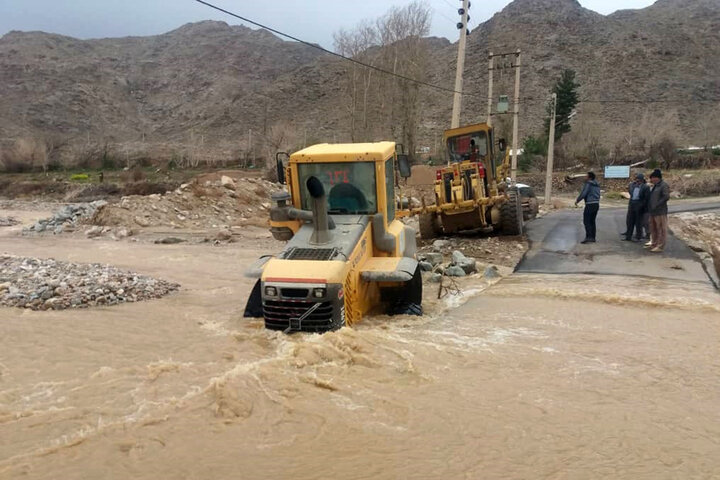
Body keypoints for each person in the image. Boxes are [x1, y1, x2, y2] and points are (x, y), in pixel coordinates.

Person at [646, 169, 670, 253]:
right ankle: (654, 243)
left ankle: (660, 246)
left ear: (657, 178)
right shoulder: (655, 186)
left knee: (661, 229)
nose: (651, 180)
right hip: (653, 211)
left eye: (652, 178)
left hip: (660, 211)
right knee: (653, 229)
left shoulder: (663, 185)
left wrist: (658, 204)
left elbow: (666, 196)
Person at [575, 171, 601, 244]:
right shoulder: (597, 184)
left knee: (586, 221)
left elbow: (584, 193)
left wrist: (577, 200)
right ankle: (593, 237)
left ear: (589, 177)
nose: (585, 177)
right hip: (596, 204)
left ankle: (588, 237)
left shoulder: (588, 184)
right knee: (592, 221)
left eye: (586, 176)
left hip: (590, 204)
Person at [624, 173, 650, 241]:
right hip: (632, 204)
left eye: (639, 181)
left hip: (639, 205)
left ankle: (638, 237)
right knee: (630, 221)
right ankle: (628, 236)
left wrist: (642, 205)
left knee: (638, 222)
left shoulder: (645, 187)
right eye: (636, 180)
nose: (637, 182)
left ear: (642, 180)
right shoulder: (633, 186)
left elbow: (646, 198)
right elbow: (630, 192)